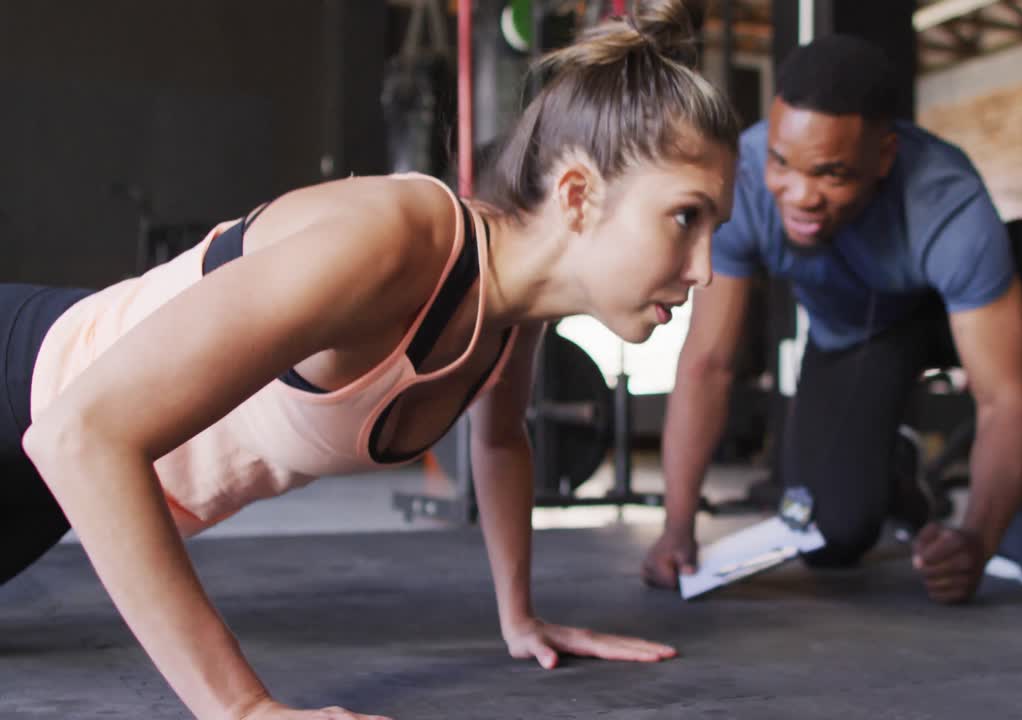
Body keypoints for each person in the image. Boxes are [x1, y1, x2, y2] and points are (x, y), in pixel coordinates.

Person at [1, 2, 738, 718]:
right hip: (29, 388)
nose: (706, 268)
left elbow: (502, 436)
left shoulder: (515, 311)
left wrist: (520, 619)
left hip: (55, 490)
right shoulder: (393, 243)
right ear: (578, 197)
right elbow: (80, 434)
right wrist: (244, 708)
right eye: (685, 216)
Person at [642, 34, 1022, 604]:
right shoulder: (743, 181)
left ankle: (1021, 514)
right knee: (832, 539)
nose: (800, 195)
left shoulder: (945, 199)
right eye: (784, 162)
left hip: (948, 316)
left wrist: (978, 539)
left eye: (831, 173)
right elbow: (708, 363)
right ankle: (896, 477)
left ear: (883, 156)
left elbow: (1007, 398)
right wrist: (676, 528)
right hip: (860, 335)